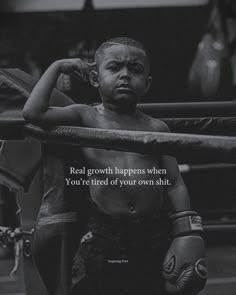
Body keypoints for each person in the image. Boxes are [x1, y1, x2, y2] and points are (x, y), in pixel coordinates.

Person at [23, 37, 207, 295]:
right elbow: (32, 113)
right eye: (114, 67)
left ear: (148, 83)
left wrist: (187, 232)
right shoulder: (85, 116)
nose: (125, 75)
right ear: (96, 78)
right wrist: (59, 66)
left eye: (135, 69)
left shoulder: (157, 127)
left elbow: (174, 183)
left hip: (154, 233)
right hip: (106, 234)